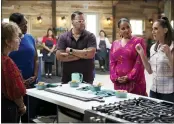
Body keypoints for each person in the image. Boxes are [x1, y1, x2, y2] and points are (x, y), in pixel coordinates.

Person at [9, 13, 39, 122]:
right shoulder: (7, 41)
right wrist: (18, 79)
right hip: (13, 85)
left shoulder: (30, 37)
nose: (26, 26)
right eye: (23, 24)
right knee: (14, 116)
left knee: (30, 116)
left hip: (31, 83)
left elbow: (36, 58)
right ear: (14, 26)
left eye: (26, 23)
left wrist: (35, 75)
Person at [135, 17, 174, 102]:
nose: (153, 32)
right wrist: (141, 53)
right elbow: (149, 70)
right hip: (153, 90)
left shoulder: (172, 47)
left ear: (165, 30)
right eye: (152, 29)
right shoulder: (153, 47)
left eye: (156, 29)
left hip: (168, 92)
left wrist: (169, 56)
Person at [56, 11, 96, 84]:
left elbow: (90, 54)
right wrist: (82, 55)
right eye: (79, 21)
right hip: (68, 78)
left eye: (83, 20)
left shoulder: (90, 36)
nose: (82, 23)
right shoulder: (63, 37)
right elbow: (59, 56)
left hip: (86, 78)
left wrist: (71, 51)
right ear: (72, 22)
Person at [109, 18, 147, 96]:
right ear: (119, 31)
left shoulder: (139, 41)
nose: (126, 30)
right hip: (119, 83)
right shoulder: (115, 44)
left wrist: (129, 77)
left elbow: (139, 62)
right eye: (123, 28)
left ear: (131, 28)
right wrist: (115, 77)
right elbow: (112, 63)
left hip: (135, 83)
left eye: (128, 27)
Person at [1, 22, 26, 123]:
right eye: (17, 37)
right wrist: (22, 106)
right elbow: (15, 90)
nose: (20, 40)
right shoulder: (7, 62)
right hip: (7, 107)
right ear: (8, 41)